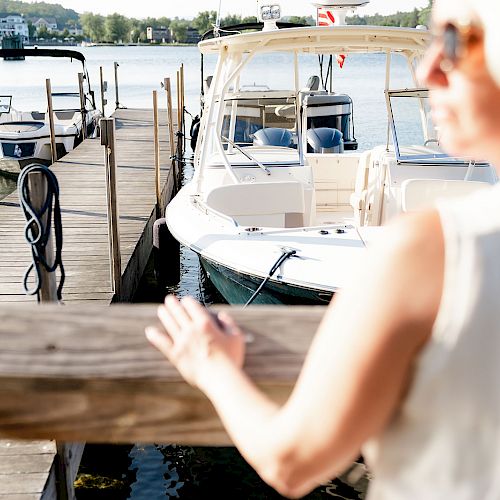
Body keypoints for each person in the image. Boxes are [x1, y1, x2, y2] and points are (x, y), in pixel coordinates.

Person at [146, 0, 500, 497]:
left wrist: (211, 364)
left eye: (452, 41)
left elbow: (290, 463)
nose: (427, 69)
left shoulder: (426, 252)